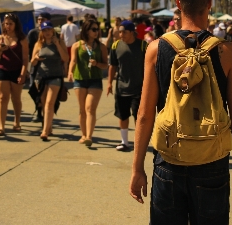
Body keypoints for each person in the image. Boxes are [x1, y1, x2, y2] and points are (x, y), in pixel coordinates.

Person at [129, 0, 232, 225]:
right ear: (210, 2)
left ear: (177, 3)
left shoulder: (156, 49)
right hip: (212, 163)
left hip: (169, 162)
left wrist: (137, 169)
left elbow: (144, 115)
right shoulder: (228, 52)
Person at [67, 19, 108, 147]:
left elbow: (105, 65)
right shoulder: (77, 45)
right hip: (80, 80)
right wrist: (70, 72)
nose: (96, 32)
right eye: (94, 29)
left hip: (95, 80)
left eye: (98, 29)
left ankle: (89, 136)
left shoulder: (101, 47)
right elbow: (73, 61)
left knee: (90, 108)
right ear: (86, 30)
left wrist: (97, 64)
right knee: (82, 109)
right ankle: (83, 135)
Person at [107, 20, 147, 151]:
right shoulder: (116, 46)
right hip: (121, 88)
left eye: (124, 32)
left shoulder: (142, 45)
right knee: (122, 115)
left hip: (138, 89)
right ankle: (124, 142)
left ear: (132, 32)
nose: (121, 34)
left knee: (139, 117)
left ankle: (139, 143)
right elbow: (113, 65)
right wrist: (109, 83)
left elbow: (149, 66)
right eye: (119, 32)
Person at [31, 21, 69, 141]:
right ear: (41, 32)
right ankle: (49, 127)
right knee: (43, 103)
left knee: (49, 103)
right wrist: (36, 58)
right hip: (41, 77)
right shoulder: (39, 44)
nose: (47, 32)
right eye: (45, 30)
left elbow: (65, 58)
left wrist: (57, 44)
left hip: (55, 76)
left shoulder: (60, 42)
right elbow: (32, 62)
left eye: (49, 30)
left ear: (53, 30)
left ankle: (44, 131)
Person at [0, 14, 29, 136]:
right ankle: (1, 126)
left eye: (10, 24)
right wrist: (0, 50)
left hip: (17, 70)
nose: (8, 26)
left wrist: (23, 74)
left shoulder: (22, 39)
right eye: (6, 23)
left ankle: (17, 121)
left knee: (16, 97)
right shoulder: (0, 38)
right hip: (3, 69)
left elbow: (25, 59)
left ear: (16, 25)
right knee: (3, 98)